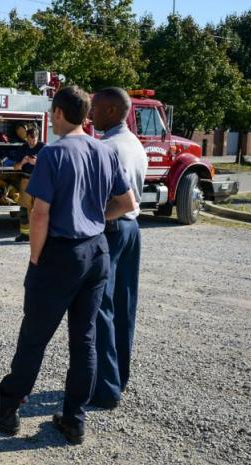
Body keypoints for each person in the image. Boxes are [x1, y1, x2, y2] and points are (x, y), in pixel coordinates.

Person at [0, 86, 136, 445]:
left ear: (60, 114)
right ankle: (74, 420)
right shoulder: (104, 151)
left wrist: (35, 259)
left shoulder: (53, 153)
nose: (49, 118)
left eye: (51, 112)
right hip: (96, 253)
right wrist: (95, 219)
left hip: (60, 255)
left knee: (34, 337)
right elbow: (126, 202)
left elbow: (40, 213)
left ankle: (8, 411)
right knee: (85, 339)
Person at [90, 87, 149, 409]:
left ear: (112, 110)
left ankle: (105, 389)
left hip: (112, 229)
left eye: (95, 108)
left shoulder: (108, 147)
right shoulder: (134, 143)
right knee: (124, 307)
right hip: (131, 230)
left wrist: (92, 221)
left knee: (100, 308)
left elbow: (116, 201)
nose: (90, 114)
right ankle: (118, 377)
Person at [8, 126, 45, 242]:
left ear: (38, 137)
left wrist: (37, 162)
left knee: (39, 210)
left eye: (34, 139)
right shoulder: (23, 148)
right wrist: (22, 162)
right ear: (26, 138)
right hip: (26, 179)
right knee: (24, 209)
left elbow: (50, 167)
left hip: (40, 180)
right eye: (29, 139)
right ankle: (25, 234)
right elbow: (15, 167)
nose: (32, 142)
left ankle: (40, 235)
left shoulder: (44, 148)